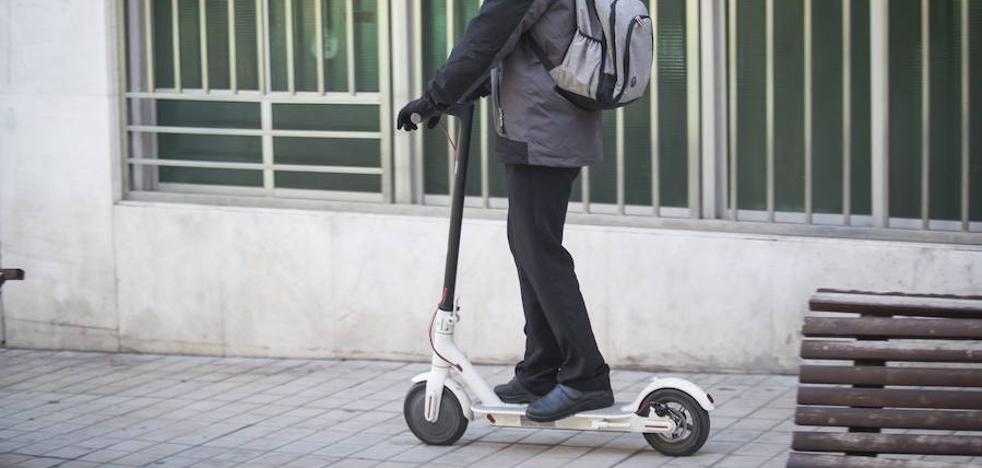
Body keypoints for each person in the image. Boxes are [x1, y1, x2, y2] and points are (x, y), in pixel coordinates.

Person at [396, 0, 613, 423]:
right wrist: (464, 88)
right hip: (543, 124)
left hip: (543, 128)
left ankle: (587, 377)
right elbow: (522, 43)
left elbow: (488, 36)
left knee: (539, 250)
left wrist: (435, 97)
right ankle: (540, 368)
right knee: (528, 244)